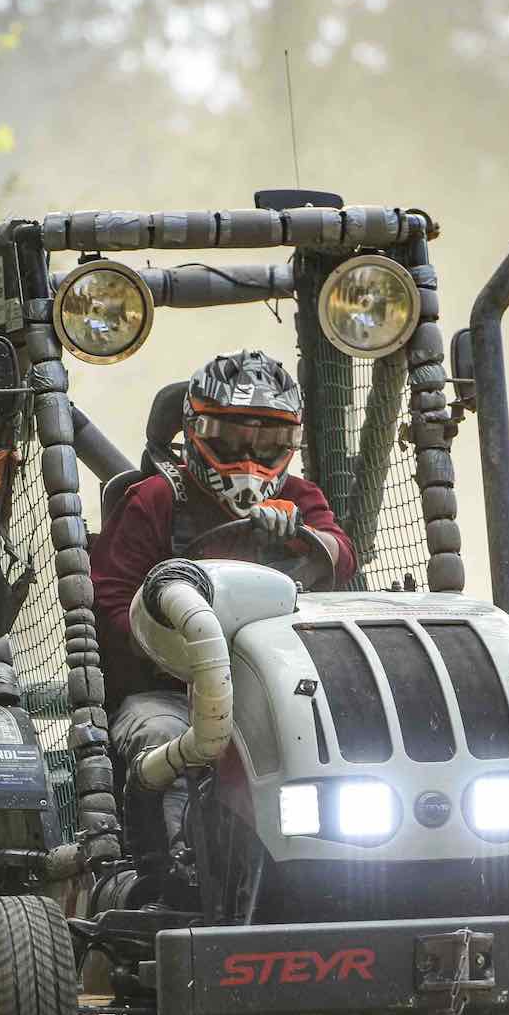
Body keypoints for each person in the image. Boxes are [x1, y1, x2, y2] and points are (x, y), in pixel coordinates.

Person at [90, 350, 356, 861]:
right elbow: (110, 607)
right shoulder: (155, 499)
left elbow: (342, 555)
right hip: (169, 695)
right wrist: (175, 645)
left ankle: (344, 864)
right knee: (161, 733)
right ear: (195, 433)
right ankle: (172, 869)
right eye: (231, 439)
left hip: (282, 693)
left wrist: (299, 532)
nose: (249, 458)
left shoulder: (299, 497)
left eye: (269, 442)